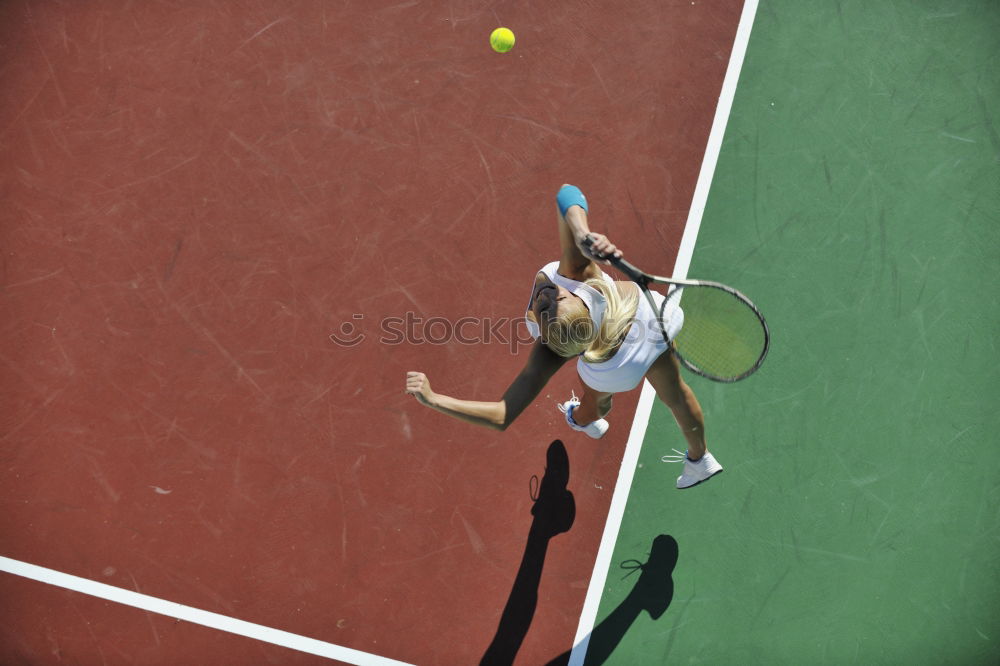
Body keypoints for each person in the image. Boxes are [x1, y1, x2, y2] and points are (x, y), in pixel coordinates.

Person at [404, 185, 722, 489]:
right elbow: (567, 194)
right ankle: (700, 459)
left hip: (615, 370)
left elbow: (503, 415)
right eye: (556, 301)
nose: (547, 295)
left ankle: (584, 420)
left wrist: (434, 400)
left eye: (548, 305)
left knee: (595, 402)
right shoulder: (576, 275)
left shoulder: (550, 348)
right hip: (651, 321)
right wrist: (581, 233)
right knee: (675, 394)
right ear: (579, 301)